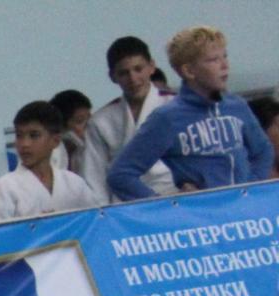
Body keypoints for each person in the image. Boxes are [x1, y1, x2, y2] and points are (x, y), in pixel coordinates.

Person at [110, 26, 274, 199]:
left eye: (225, 56)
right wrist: (164, 206)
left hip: (244, 213)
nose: (225, 65)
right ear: (189, 71)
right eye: (213, 60)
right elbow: (121, 174)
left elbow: (263, 151)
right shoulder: (167, 117)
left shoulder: (237, 106)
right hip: (204, 218)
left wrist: (251, 187)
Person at [86, 37, 176, 201]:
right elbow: (94, 176)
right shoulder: (101, 121)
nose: (133, 79)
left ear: (151, 67)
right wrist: (104, 214)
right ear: (112, 76)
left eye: (138, 69)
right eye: (123, 73)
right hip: (125, 206)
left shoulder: (176, 105)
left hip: (175, 195)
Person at [0, 102, 102, 220]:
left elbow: (95, 223)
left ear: (55, 141)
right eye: (19, 135)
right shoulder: (4, 188)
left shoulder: (74, 184)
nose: (25, 144)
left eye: (34, 135)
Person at [49, 89, 94, 176]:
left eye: (90, 118)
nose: (89, 125)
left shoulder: (88, 152)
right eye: (80, 121)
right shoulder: (54, 154)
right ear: (62, 127)